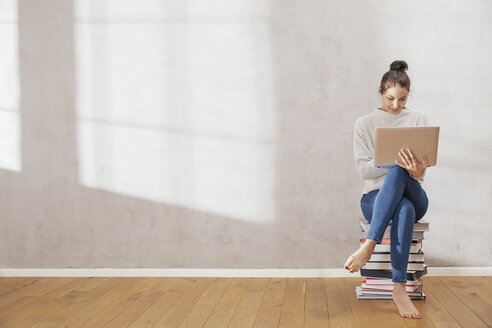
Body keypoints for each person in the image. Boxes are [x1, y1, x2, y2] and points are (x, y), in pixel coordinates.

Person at [344, 60, 429, 319]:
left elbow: (421, 173)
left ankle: (371, 242)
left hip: (414, 194)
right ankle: (399, 289)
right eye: (391, 98)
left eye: (402, 100)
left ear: (408, 97)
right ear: (380, 91)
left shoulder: (418, 119)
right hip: (375, 196)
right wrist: (394, 160)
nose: (396, 105)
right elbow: (363, 171)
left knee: (400, 177)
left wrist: (417, 168)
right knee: (401, 208)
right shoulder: (364, 123)